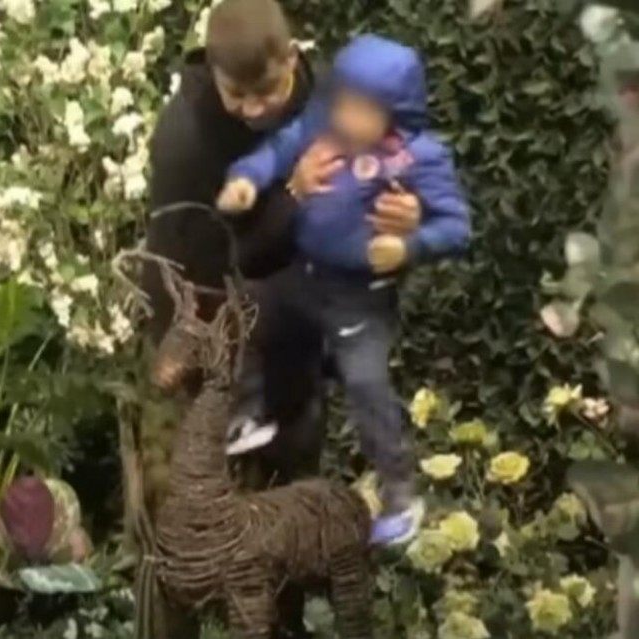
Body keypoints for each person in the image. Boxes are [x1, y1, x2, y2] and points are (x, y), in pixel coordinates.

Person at [142, 0, 424, 481]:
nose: (254, 108)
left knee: (299, 476)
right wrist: (294, 195)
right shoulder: (185, 142)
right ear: (214, 72)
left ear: (292, 57)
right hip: (218, 341)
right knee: (231, 496)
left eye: (266, 90)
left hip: (301, 338)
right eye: (237, 94)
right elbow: (205, 272)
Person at [217, 33, 472, 546]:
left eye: (362, 109)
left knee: (366, 384)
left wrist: (409, 246)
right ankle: (249, 411)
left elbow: (456, 227)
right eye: (344, 102)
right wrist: (246, 179)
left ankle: (400, 494)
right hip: (305, 277)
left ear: (393, 111)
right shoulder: (322, 128)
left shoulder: (417, 159)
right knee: (250, 308)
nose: (347, 118)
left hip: (359, 296)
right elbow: (280, 148)